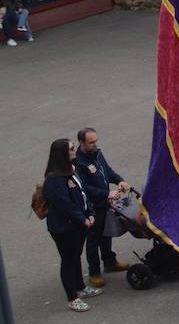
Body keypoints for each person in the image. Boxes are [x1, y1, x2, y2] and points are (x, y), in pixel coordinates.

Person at [43, 138, 101, 312]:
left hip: (78, 224)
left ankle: (80, 287)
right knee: (68, 260)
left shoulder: (72, 170)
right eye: (70, 149)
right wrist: (82, 219)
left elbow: (82, 195)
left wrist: (90, 213)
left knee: (76, 255)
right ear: (62, 154)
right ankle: (72, 297)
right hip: (64, 228)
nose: (74, 151)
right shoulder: (54, 178)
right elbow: (65, 204)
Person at [74, 128, 129, 287]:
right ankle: (94, 273)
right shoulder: (79, 163)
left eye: (95, 141)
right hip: (92, 206)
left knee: (106, 233)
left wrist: (119, 180)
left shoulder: (97, 153)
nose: (95, 144)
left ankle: (110, 261)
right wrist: (106, 193)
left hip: (104, 203)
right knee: (94, 238)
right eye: (91, 142)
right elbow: (84, 187)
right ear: (82, 143)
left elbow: (107, 171)